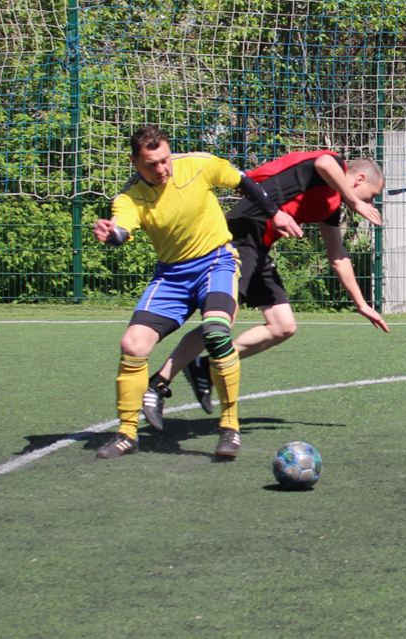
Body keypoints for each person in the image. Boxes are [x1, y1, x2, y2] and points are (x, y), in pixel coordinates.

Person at [93, 126, 303, 459]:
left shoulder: (199, 164)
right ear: (134, 162)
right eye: (151, 165)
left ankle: (230, 428)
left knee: (217, 332)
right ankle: (127, 433)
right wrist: (110, 233)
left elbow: (244, 182)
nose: (161, 169)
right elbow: (122, 227)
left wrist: (275, 213)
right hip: (172, 276)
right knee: (132, 344)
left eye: (164, 160)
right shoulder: (129, 197)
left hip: (216, 263)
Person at [139, 150, 390, 430]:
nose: (370, 203)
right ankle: (158, 385)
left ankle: (204, 368)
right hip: (239, 234)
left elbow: (337, 256)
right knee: (221, 321)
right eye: (371, 195)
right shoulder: (329, 167)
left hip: (258, 248)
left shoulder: (332, 205)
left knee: (283, 326)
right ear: (359, 179)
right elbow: (323, 163)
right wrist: (356, 201)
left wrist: (361, 304)